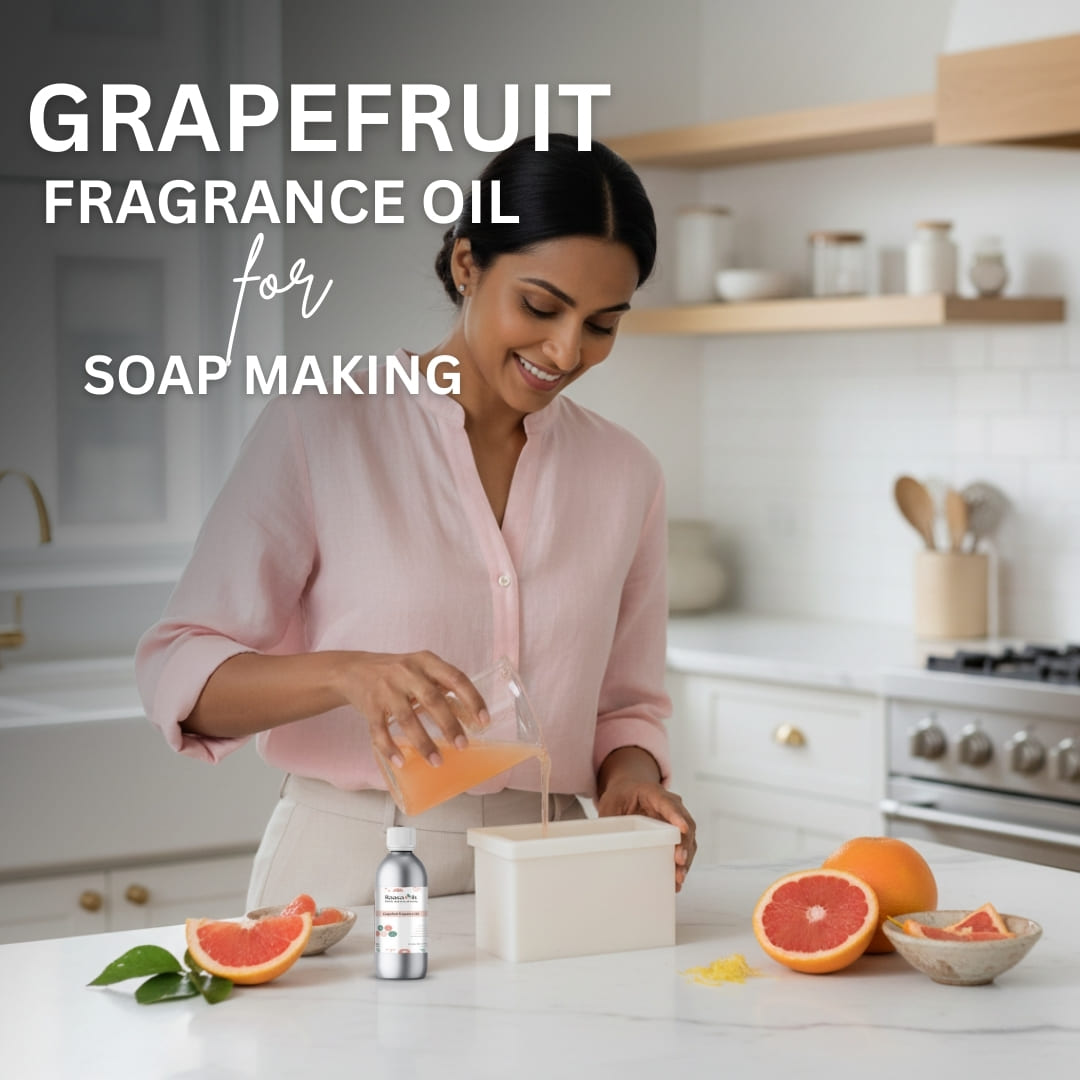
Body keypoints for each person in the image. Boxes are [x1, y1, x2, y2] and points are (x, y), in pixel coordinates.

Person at [135, 133, 698, 911]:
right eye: (540, 306)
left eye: (602, 325)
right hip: (350, 866)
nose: (566, 349)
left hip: (548, 863)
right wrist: (347, 673)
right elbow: (179, 671)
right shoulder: (323, 428)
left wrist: (632, 779)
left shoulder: (626, 472)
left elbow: (625, 708)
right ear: (468, 264)